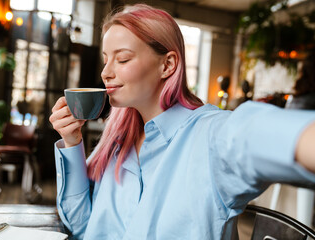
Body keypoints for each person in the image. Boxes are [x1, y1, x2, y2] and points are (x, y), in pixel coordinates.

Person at [49, 4, 315, 239]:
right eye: (106, 60)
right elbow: (82, 227)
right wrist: (72, 142)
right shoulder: (118, 141)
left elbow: (248, 133)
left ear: (168, 65)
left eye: (123, 59)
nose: (106, 73)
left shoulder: (209, 136)